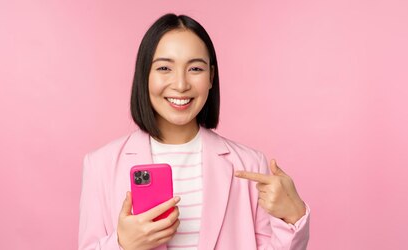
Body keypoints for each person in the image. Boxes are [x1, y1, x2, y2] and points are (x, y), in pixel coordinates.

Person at [78, 13, 310, 250]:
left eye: (195, 68)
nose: (180, 84)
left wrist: (293, 217)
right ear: (144, 75)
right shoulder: (100, 165)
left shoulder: (250, 165)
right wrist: (121, 244)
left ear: (211, 76)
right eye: (165, 67)